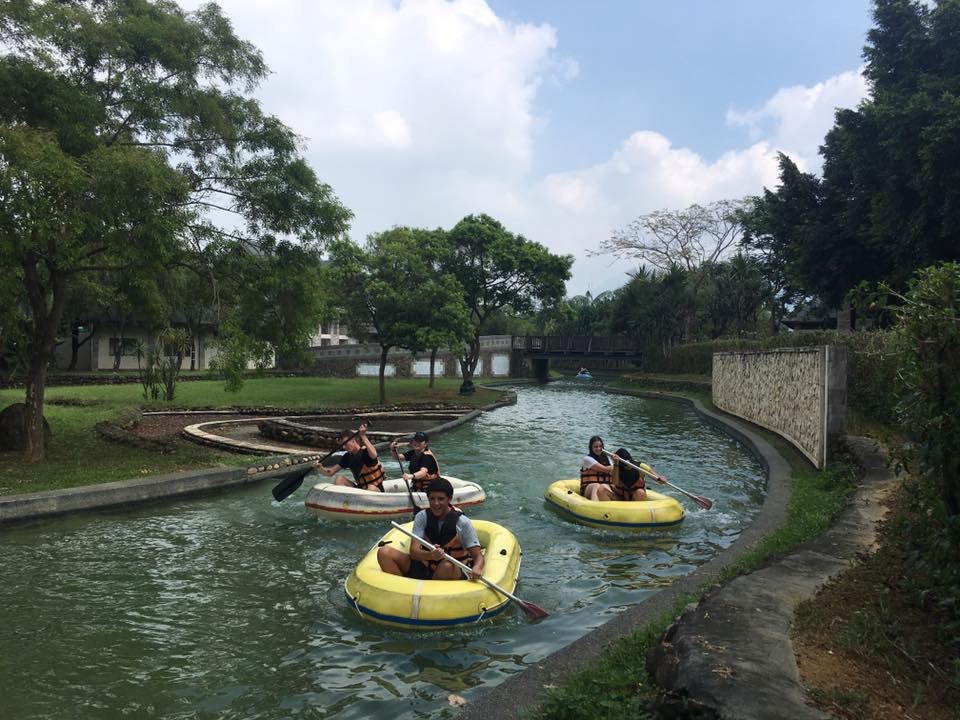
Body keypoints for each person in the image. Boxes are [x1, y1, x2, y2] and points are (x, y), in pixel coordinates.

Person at [377, 477, 484, 580]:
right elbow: (414, 552)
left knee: (447, 566)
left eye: (441, 499)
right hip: (425, 566)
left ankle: (427, 587)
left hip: (450, 569)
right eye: (432, 499)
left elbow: (478, 556)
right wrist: (431, 555)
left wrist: (477, 567)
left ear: (449, 499)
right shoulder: (422, 517)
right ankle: (404, 587)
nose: (436, 503)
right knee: (384, 552)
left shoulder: (462, 522)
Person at [312, 422, 385, 491]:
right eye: (343, 445)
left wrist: (363, 435)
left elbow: (374, 455)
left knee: (370, 487)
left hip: (375, 490)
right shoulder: (347, 457)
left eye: (346, 444)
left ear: (353, 440)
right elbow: (330, 472)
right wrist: (320, 468)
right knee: (340, 479)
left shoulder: (365, 452)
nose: (344, 447)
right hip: (360, 489)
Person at [580, 435, 618, 501]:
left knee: (604, 486)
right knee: (596, 485)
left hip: (604, 486)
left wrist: (616, 462)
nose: (598, 448)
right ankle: (594, 504)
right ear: (591, 448)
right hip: (589, 488)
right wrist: (616, 463)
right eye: (595, 447)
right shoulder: (587, 459)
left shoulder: (608, 459)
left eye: (600, 446)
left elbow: (614, 476)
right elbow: (605, 469)